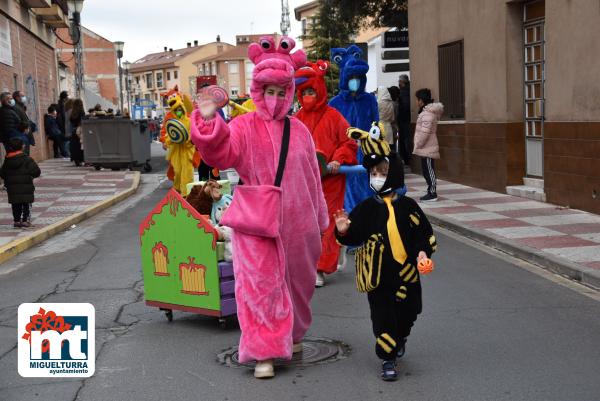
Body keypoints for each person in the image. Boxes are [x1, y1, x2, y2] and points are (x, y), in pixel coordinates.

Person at [191, 36, 328, 379]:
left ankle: (293, 333)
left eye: (283, 91)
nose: (276, 98)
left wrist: (320, 217)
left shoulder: (299, 131)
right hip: (257, 222)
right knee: (260, 286)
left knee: (298, 283)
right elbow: (220, 155)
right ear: (257, 89)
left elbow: (313, 175)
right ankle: (263, 352)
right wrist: (208, 121)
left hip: (298, 221)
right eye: (269, 89)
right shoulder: (243, 126)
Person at [333, 129, 437, 381]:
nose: (378, 177)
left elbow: (423, 233)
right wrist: (344, 231)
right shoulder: (366, 208)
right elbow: (353, 237)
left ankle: (400, 338)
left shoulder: (409, 206)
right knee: (383, 317)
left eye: (383, 172)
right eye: (373, 173)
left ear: (395, 174)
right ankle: (387, 358)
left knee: (410, 311)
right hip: (380, 276)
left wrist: (423, 252)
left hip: (408, 274)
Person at [294, 60, 357, 287]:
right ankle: (313, 262)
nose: (309, 95)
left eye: (311, 90)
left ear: (319, 90)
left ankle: (320, 269)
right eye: (304, 92)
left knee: (328, 224)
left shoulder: (333, 116)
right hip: (306, 181)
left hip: (330, 180)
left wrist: (337, 159)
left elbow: (349, 141)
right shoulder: (297, 119)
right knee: (307, 225)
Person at [328, 45, 379, 213]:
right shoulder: (335, 103)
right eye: (352, 77)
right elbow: (330, 132)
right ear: (345, 78)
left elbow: (376, 125)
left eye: (358, 77)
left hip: (367, 153)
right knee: (346, 196)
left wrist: (376, 148)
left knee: (368, 192)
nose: (355, 81)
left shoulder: (370, 100)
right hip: (344, 156)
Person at [0, 137, 41, 228]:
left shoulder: (7, 160)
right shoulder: (27, 159)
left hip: (12, 188)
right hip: (26, 187)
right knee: (26, 203)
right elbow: (36, 172)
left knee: (15, 204)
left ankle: (17, 221)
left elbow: (2, 174)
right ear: (21, 147)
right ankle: (26, 220)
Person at [413, 88, 443, 202]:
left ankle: (432, 193)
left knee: (429, 170)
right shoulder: (425, 113)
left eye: (417, 99)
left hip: (427, 147)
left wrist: (418, 143)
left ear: (421, 100)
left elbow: (425, 132)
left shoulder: (427, 114)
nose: (416, 102)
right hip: (425, 147)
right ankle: (430, 191)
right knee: (426, 170)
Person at [397, 75, 412, 164]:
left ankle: (407, 159)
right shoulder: (408, 90)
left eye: (399, 81)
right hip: (406, 119)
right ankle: (406, 158)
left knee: (404, 140)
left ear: (402, 82)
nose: (398, 83)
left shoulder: (404, 92)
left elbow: (405, 106)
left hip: (404, 120)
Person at [69, 99, 85, 166]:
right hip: (80, 130)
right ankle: (81, 159)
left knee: (74, 146)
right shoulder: (82, 112)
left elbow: (71, 121)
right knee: (81, 145)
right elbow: (83, 121)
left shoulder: (72, 112)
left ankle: (76, 160)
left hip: (74, 130)